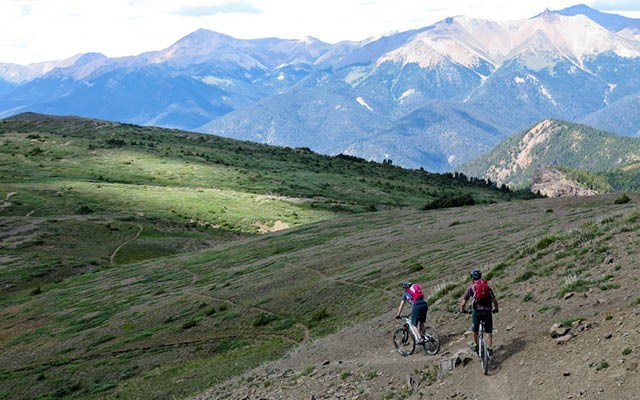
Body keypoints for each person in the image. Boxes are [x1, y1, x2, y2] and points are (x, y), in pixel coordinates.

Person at [459, 269, 499, 355]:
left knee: (475, 329)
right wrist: (496, 309)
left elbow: (463, 303)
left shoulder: (471, 288)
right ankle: (490, 348)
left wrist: (463, 310)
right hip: (487, 311)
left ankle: (476, 345)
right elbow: (495, 301)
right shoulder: (487, 287)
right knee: (488, 331)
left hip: (477, 311)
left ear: (472, 278)